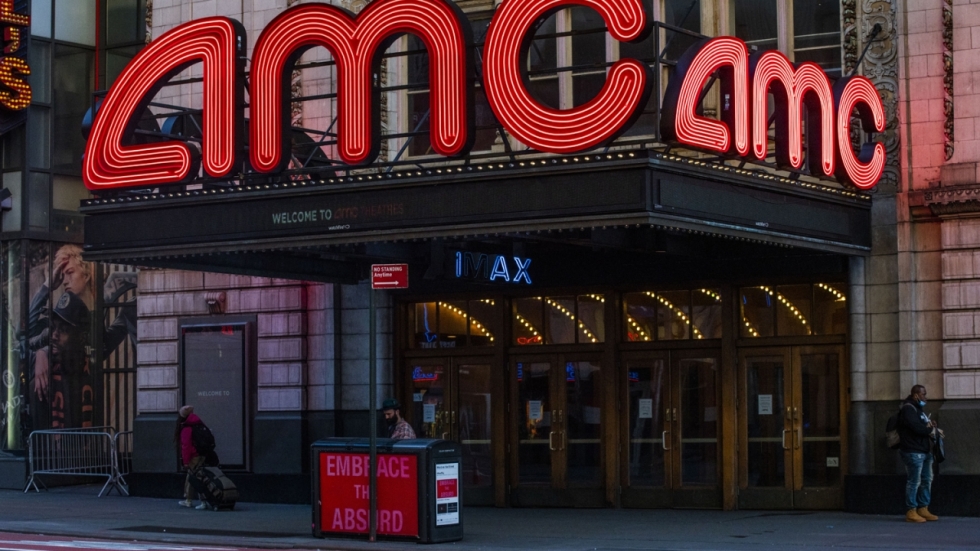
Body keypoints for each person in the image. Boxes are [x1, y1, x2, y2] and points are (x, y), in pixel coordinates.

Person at [897, 385, 939, 523]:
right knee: (914, 481)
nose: (925, 398)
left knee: (927, 479)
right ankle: (911, 510)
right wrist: (928, 429)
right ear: (916, 395)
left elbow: (922, 426)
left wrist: (929, 426)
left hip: (924, 450)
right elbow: (916, 428)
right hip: (913, 451)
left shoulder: (918, 410)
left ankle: (923, 508)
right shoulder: (908, 408)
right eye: (923, 394)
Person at [177, 405, 208, 510]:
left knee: (193, 478)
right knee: (199, 477)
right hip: (202, 454)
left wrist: (185, 462)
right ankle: (192, 500)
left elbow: (186, 446)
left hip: (194, 457)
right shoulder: (199, 423)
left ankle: (191, 500)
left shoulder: (187, 427)